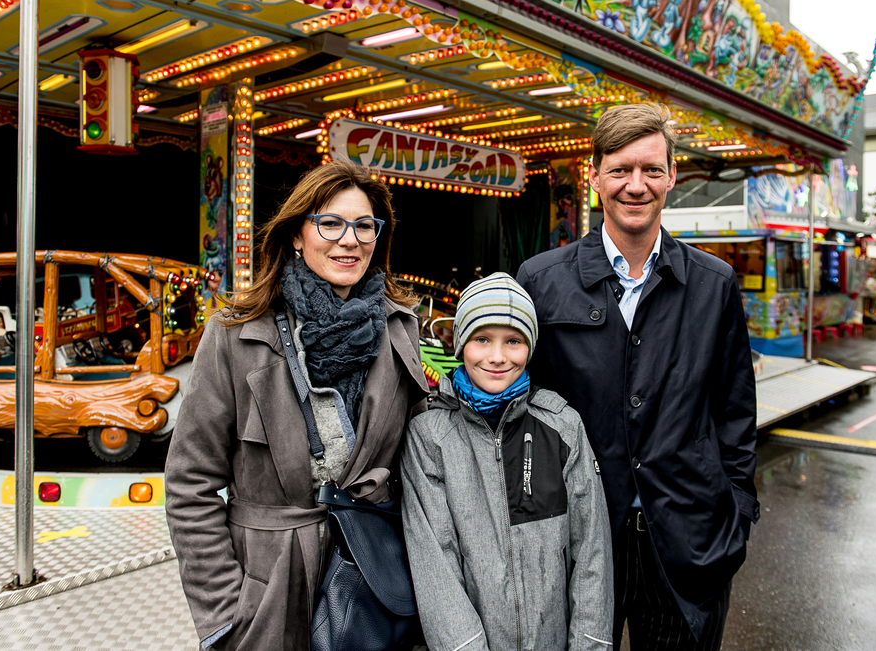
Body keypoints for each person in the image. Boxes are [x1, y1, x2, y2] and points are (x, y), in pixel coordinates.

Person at [517, 103, 759, 651]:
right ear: (595, 175)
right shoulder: (541, 280)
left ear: (672, 176)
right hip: (576, 540)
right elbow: (519, 409)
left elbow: (735, 413)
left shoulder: (714, 284)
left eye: (651, 169)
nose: (636, 185)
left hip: (686, 543)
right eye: (621, 169)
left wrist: (736, 512)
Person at [165, 161, 430, 650]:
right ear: (295, 234)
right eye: (330, 223)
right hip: (266, 589)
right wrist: (225, 615)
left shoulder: (400, 329)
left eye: (365, 225)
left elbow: (420, 464)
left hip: (370, 583)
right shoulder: (236, 335)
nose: (349, 240)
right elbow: (190, 484)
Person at [401, 272, 614, 651]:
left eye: (513, 341)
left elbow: (591, 549)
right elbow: (435, 562)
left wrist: (590, 644)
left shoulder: (563, 426)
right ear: (460, 343)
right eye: (482, 339)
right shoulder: (430, 436)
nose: (497, 356)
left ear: (529, 348)